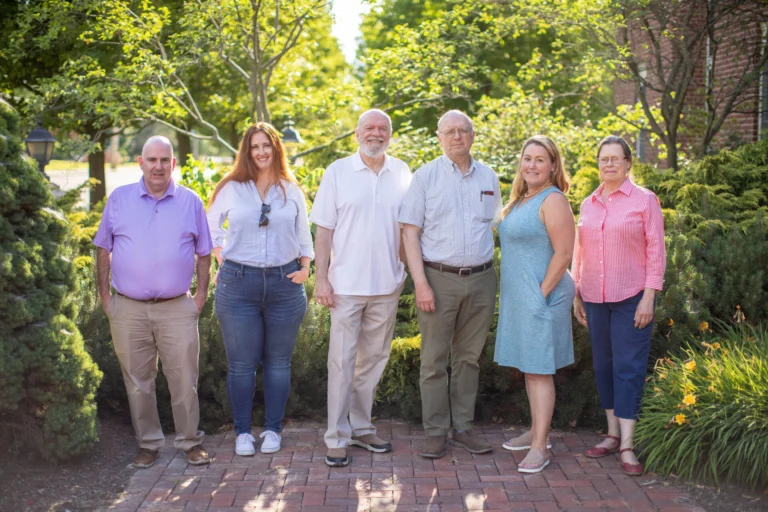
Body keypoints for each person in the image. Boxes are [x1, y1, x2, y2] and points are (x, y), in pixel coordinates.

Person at [94, 136, 212, 469]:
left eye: (164, 160)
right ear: (141, 163)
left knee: (184, 379)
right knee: (137, 382)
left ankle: (190, 441)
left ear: (173, 164)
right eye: (151, 159)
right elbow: (102, 249)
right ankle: (148, 444)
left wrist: (199, 298)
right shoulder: (119, 199)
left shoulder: (190, 201)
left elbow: (204, 253)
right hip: (127, 308)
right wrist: (106, 298)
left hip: (178, 308)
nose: (158, 166)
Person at [310, 109, 412, 468]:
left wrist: (404, 271)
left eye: (383, 128)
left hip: (387, 285)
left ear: (390, 135)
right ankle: (336, 437)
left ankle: (362, 427)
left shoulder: (402, 172)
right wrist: (322, 278)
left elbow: (407, 228)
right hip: (346, 287)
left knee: (372, 362)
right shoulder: (338, 172)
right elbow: (323, 230)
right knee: (341, 363)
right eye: (369, 127)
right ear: (357, 134)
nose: (376, 133)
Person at [207, 122, 313, 456]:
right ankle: (242, 432)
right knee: (241, 365)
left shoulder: (291, 190)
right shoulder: (231, 188)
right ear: (247, 151)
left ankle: (272, 430)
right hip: (238, 285)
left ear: (276, 148)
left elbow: (304, 234)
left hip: (285, 285)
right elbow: (210, 227)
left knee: (278, 363)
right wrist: (221, 258)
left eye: (266, 145)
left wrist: (305, 268)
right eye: (255, 146)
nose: (261, 152)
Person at [399, 110, 501, 459]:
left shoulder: (488, 176)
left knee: (469, 359)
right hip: (438, 279)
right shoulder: (425, 177)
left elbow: (493, 225)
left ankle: (463, 428)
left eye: (463, 130)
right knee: (434, 361)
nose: (457, 136)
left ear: (472, 135)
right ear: (439, 137)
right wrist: (421, 284)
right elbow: (409, 234)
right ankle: (435, 431)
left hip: (482, 279)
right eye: (450, 131)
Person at [572, 135, 666, 476]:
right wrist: (576, 292)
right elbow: (579, 252)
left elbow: (656, 249)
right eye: (604, 159)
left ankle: (627, 443)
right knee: (603, 366)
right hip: (594, 298)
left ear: (628, 163)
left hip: (631, 298)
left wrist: (649, 296)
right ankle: (611, 434)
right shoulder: (588, 203)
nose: (609, 164)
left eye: (615, 158)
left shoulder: (644, 200)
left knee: (629, 367)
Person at [494, 136, 576, 474]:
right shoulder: (521, 199)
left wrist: (539, 294)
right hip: (523, 298)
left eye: (540, 159)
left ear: (553, 165)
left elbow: (564, 253)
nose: (531, 165)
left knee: (540, 370)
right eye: (527, 158)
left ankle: (540, 446)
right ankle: (535, 430)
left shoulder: (553, 199)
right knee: (531, 368)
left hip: (545, 295)